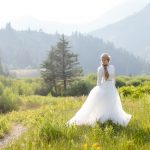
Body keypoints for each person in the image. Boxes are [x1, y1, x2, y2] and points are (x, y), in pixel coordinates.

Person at [66, 52, 132, 127]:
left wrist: (113, 87)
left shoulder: (112, 67)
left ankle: (111, 119)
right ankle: (101, 120)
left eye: (105, 60)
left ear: (108, 60)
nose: (103, 61)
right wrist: (99, 91)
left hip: (111, 88)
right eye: (102, 60)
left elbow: (113, 78)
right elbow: (98, 81)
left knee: (112, 103)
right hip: (103, 87)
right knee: (102, 103)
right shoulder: (100, 69)